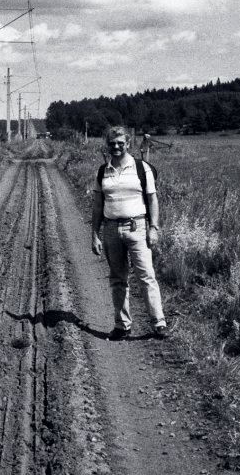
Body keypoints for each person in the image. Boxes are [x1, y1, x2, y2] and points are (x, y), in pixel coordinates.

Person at [90, 126, 168, 340]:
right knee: (117, 279)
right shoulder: (102, 171)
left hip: (138, 228)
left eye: (120, 143)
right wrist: (95, 234)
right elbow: (98, 204)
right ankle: (122, 325)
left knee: (146, 276)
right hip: (111, 230)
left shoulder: (142, 168)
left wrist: (154, 227)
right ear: (107, 144)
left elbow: (152, 199)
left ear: (128, 144)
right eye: (112, 143)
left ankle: (158, 323)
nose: (116, 147)